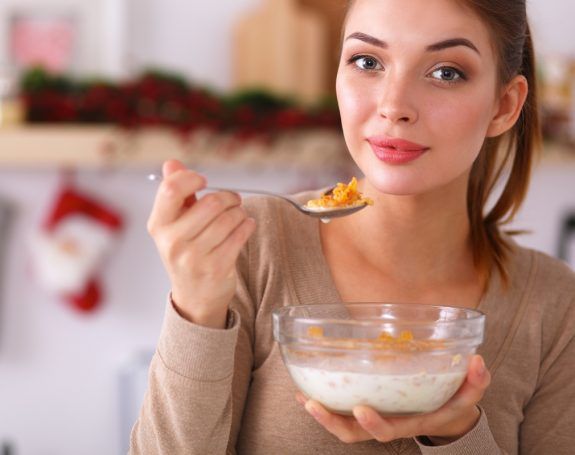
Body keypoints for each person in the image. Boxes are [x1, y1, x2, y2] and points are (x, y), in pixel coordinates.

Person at [130, 0, 575, 453]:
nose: (394, 105)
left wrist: (457, 433)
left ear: (504, 105)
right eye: (367, 62)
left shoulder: (555, 305)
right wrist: (196, 309)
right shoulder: (253, 243)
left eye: (445, 72)